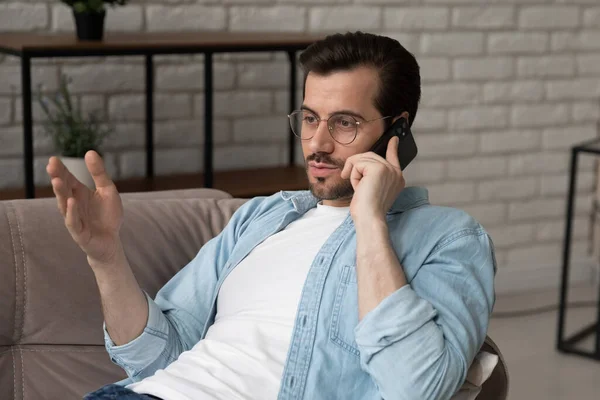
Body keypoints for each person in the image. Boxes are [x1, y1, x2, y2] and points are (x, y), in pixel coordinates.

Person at [47, 31, 496, 400]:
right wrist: (106, 257)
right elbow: (154, 357)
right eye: (309, 118)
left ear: (398, 130)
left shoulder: (449, 238)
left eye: (344, 123)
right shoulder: (261, 218)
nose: (317, 144)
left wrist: (371, 221)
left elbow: (416, 389)